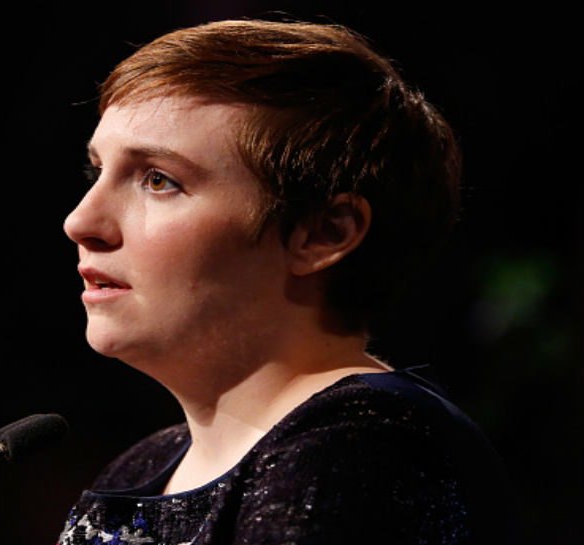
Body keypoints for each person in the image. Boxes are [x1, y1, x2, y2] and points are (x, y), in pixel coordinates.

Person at [58, 19, 519, 545]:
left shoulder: (361, 444)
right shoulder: (148, 463)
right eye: (96, 172)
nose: (80, 222)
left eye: (158, 180)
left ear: (322, 233)